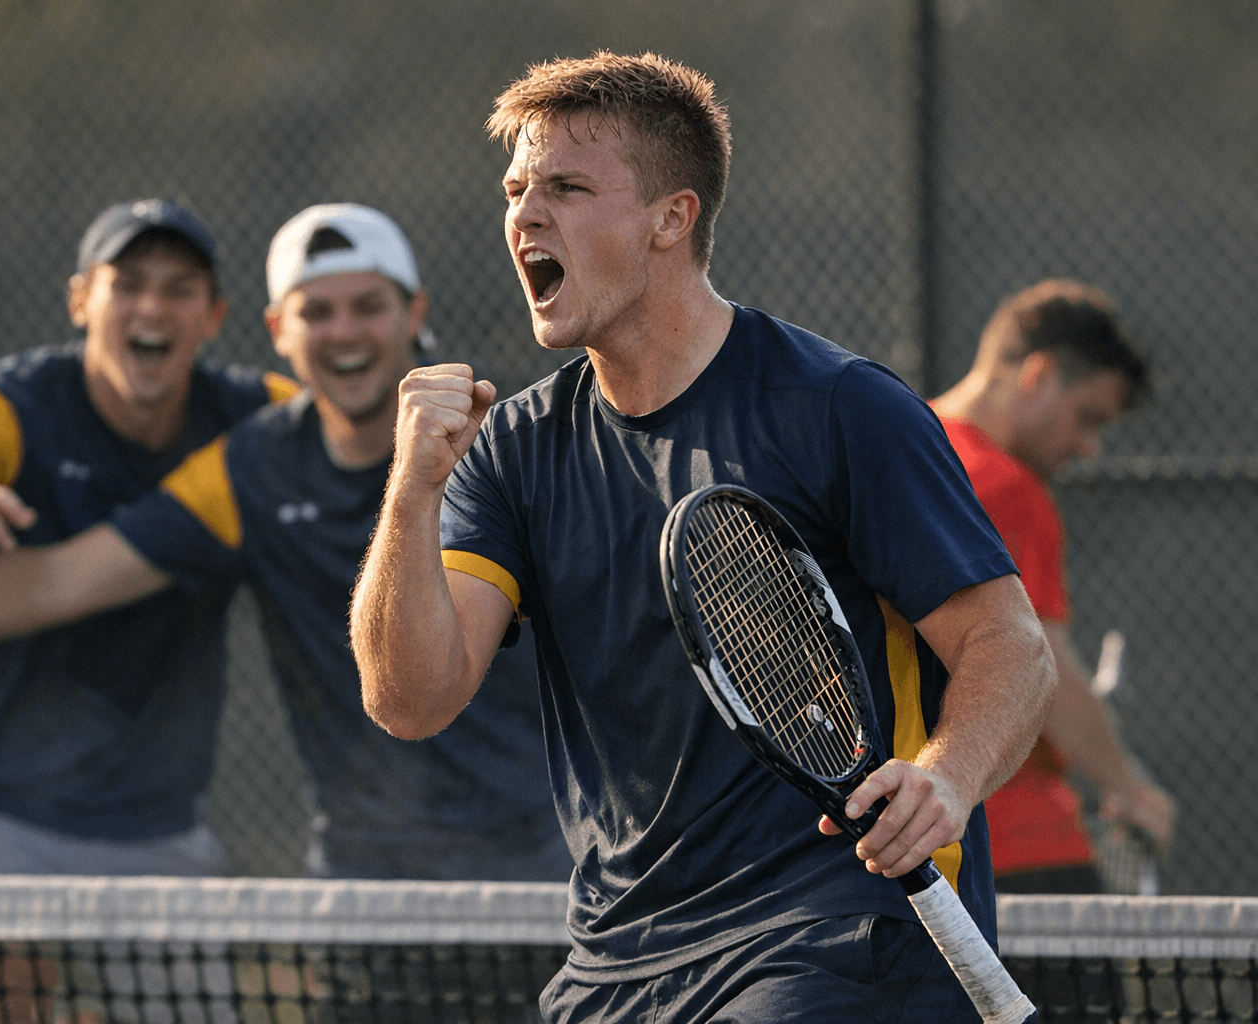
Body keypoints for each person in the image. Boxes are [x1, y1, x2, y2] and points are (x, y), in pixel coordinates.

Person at [348, 52, 1056, 1022]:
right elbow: (409, 699)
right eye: (515, 191)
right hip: (617, 960)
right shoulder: (512, 448)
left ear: (671, 218)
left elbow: (1008, 643)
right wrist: (411, 492)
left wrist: (947, 777)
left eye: (565, 188)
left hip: (837, 934)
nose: (525, 216)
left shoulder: (838, 407)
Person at [0, 203, 570, 883]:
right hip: (353, 863)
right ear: (278, 331)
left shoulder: (507, 442)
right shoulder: (253, 459)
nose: (343, 332)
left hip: (545, 846)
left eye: (367, 306)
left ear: (414, 313)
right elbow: (56, 579)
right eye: (316, 312)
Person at [930, 279, 1174, 894]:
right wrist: (1129, 788)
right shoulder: (1006, 486)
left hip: (915, 840)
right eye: (1087, 418)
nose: (1089, 447)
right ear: (1037, 374)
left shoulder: (906, 453)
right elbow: (1044, 665)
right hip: (1018, 841)